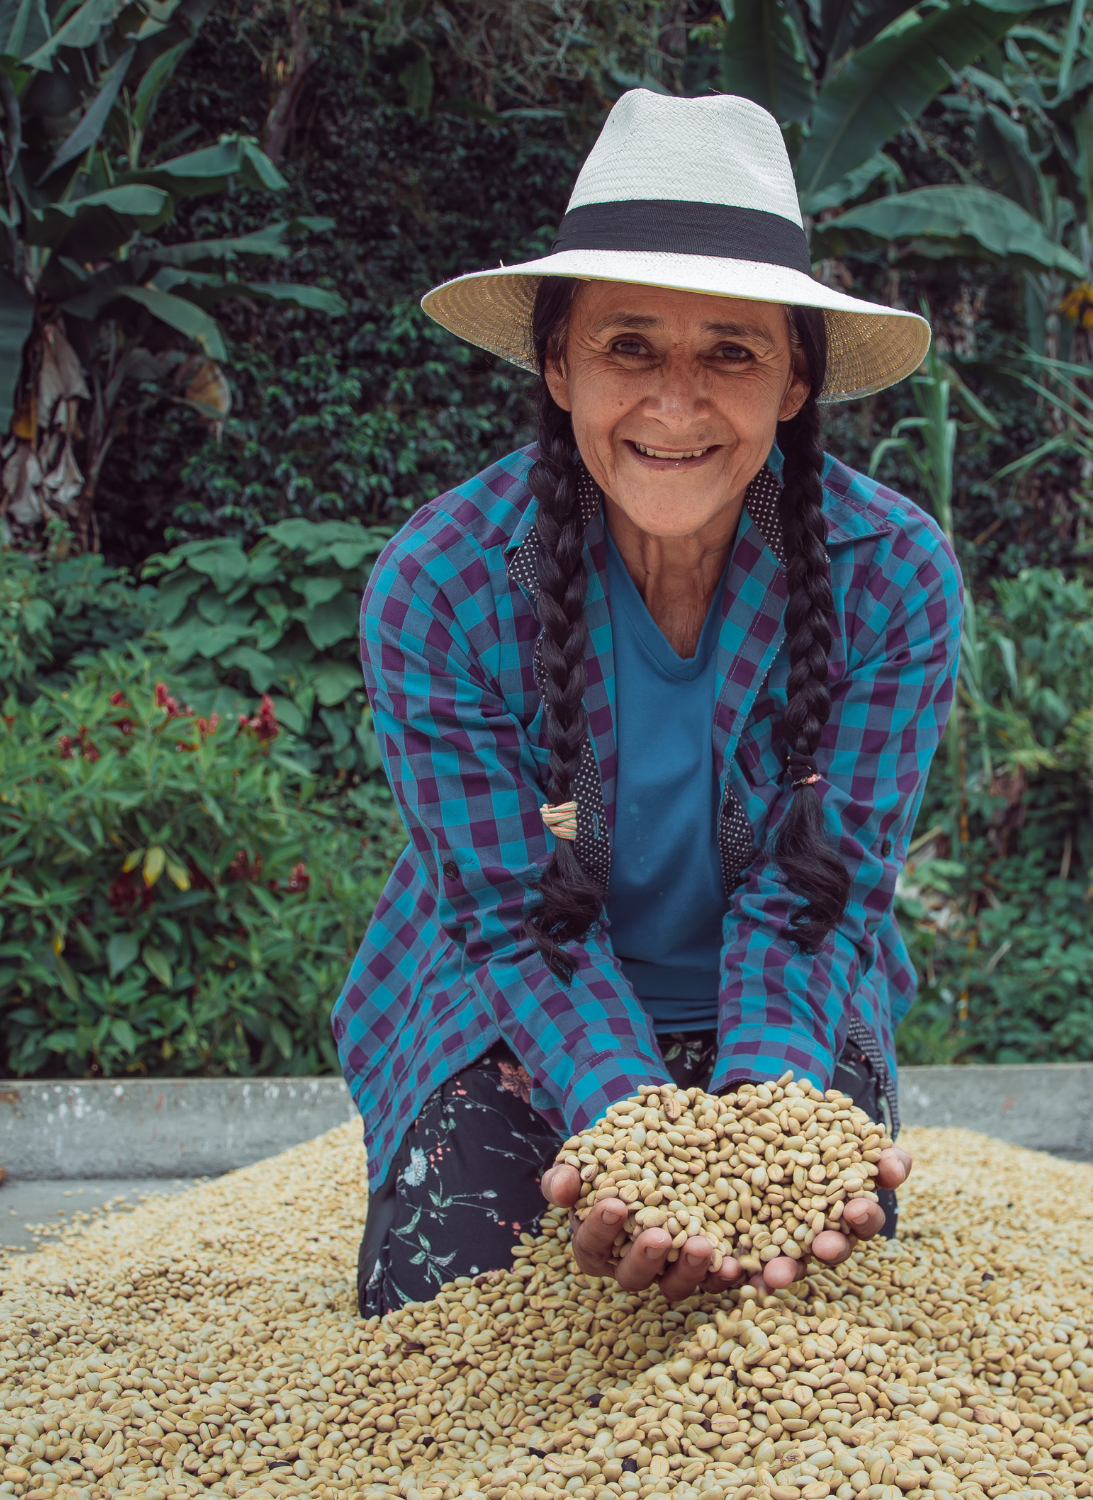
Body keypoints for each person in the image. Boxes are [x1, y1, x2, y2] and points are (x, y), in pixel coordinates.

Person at [335, 88, 962, 1316]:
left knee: (803, 1302)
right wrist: (635, 1137)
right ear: (557, 364)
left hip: (794, 1005)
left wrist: (756, 1126)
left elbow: (818, 898)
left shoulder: (890, 579)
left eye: (730, 349)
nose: (675, 403)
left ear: (793, 381)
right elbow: (514, 919)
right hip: (506, 1010)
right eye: (629, 346)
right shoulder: (440, 587)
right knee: (446, 1302)